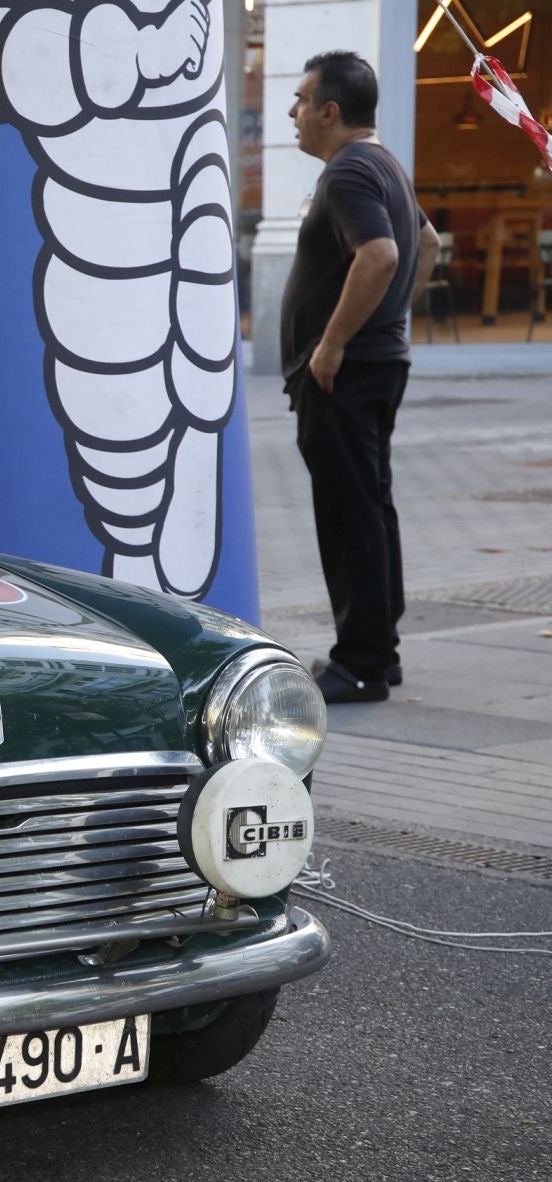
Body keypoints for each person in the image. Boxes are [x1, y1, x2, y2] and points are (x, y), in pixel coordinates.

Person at [280, 51, 440, 704]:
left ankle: (362, 662)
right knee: (369, 507)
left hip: (344, 372)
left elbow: (382, 253)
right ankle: (379, 649)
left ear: (330, 111)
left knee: (350, 514)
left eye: (299, 100)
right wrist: (390, 323)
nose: (291, 113)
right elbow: (427, 243)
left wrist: (334, 343)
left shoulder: (348, 170)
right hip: (377, 362)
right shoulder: (384, 163)